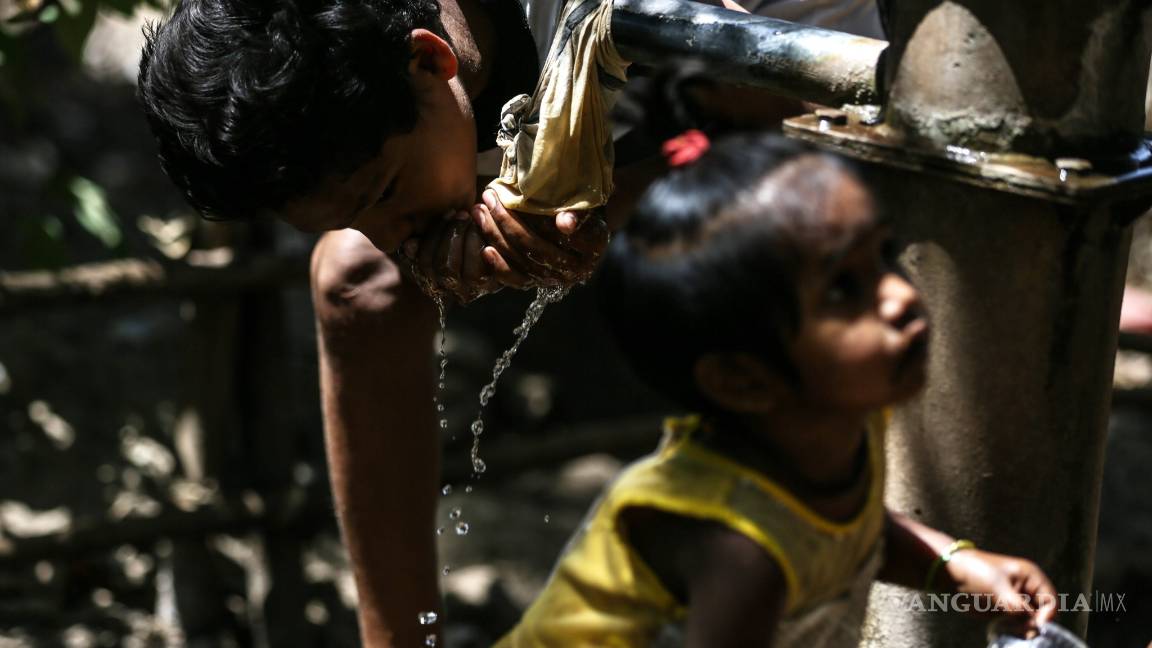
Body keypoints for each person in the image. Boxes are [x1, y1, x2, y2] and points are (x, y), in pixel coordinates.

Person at [494, 131, 1059, 647]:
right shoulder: (739, 555)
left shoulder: (836, 422)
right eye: (844, 289)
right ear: (743, 379)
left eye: (884, 255)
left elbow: (847, 530)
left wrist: (952, 566)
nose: (900, 296)